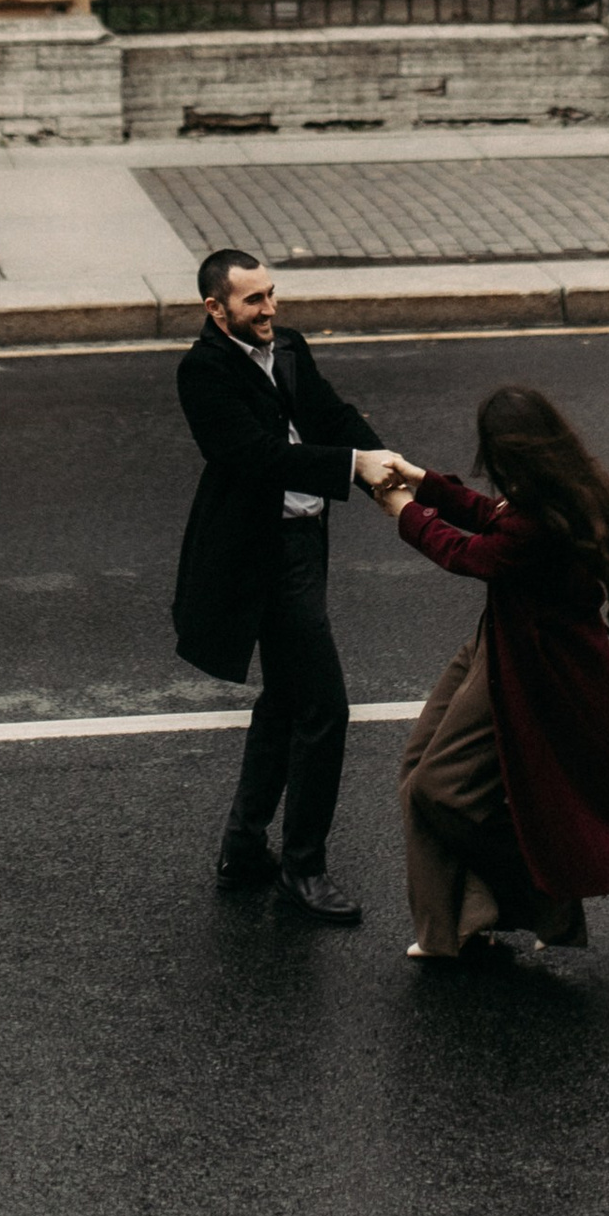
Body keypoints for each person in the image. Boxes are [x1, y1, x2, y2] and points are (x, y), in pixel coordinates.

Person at [370, 383, 609, 964]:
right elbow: (492, 516)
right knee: (418, 768)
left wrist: (403, 511)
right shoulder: (552, 491)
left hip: (530, 667)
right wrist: (422, 482)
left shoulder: (539, 522)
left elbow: (469, 554)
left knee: (439, 789)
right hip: (501, 638)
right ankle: (452, 930)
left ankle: (546, 898)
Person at [172, 247, 408, 926]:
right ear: (215, 309)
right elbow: (254, 456)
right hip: (258, 556)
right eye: (253, 301)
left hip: (306, 545)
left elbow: (332, 416)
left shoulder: (291, 347)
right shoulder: (203, 371)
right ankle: (303, 869)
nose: (270, 309)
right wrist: (353, 464)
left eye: (272, 294)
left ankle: (246, 845)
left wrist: (384, 462)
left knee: (286, 697)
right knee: (323, 707)